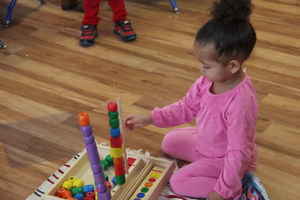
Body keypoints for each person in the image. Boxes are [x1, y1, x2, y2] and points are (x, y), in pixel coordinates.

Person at [125, 0, 261, 199]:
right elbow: (186, 107)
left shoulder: (241, 103)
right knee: (168, 142)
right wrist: (150, 118)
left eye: (206, 66)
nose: (201, 70)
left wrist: (223, 191)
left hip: (226, 157)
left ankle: (237, 187)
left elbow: (238, 152)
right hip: (206, 143)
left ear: (232, 66)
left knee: (178, 182)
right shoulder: (207, 81)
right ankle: (207, 166)